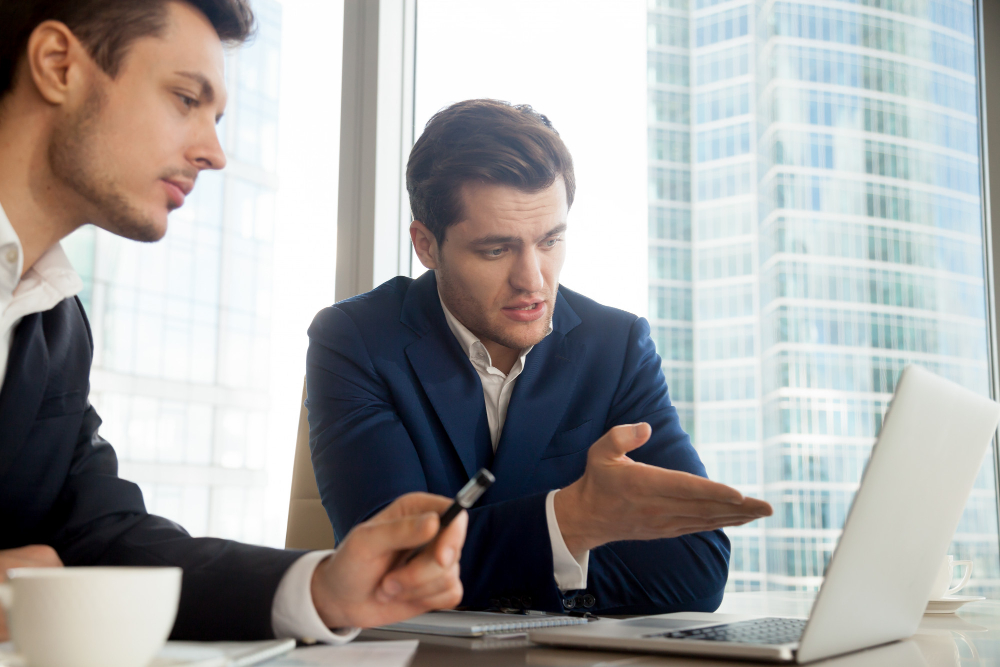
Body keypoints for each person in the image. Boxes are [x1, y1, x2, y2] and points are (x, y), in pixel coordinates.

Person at [0, 0, 466, 644]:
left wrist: (323, 586)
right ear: (58, 66)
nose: (214, 153)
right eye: (186, 99)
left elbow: (100, 538)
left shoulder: (50, 322)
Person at [306, 99, 773, 616]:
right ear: (426, 245)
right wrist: (573, 522)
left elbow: (697, 569)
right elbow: (387, 567)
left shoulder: (617, 347)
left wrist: (507, 558)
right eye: (495, 250)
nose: (533, 280)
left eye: (550, 241)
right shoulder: (356, 340)